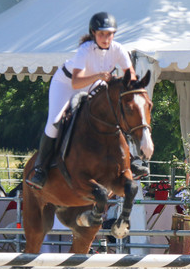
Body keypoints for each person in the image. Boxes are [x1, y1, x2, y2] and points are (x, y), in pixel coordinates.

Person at [26, 12, 142, 189]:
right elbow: (76, 82)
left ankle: (132, 160)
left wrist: (127, 83)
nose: (105, 38)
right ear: (93, 33)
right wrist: (99, 76)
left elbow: (130, 74)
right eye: (101, 34)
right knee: (55, 121)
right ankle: (40, 169)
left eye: (109, 34)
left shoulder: (118, 49)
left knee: (115, 114)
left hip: (95, 83)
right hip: (66, 84)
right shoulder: (85, 50)